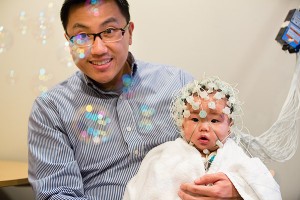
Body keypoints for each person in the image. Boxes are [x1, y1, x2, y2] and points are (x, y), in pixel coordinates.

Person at [28, 0, 243, 199]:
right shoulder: (51, 108)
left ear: (129, 33)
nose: (98, 49)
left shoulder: (178, 84)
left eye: (110, 31)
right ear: (69, 42)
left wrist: (236, 187)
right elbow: (57, 194)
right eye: (82, 36)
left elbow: (221, 149)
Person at [123, 77, 282, 200]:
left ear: (230, 125)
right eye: (194, 119)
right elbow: (145, 188)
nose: (204, 127)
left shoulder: (236, 156)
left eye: (215, 121)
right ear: (182, 123)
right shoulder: (166, 154)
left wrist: (240, 186)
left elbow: (263, 185)